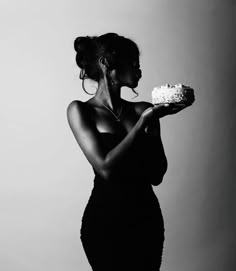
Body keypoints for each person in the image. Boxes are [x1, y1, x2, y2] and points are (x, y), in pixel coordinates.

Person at [67, 33, 193, 271]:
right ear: (106, 63)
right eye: (132, 60)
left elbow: (157, 174)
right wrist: (142, 124)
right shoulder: (80, 111)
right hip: (104, 222)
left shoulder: (144, 110)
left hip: (146, 219)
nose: (138, 68)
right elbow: (104, 168)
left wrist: (151, 125)